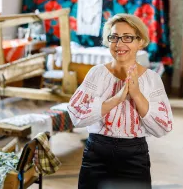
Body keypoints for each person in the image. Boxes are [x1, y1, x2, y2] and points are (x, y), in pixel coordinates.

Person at [67, 14, 173, 189]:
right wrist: (117, 98)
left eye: (128, 38)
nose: (119, 44)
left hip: (135, 158)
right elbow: (76, 115)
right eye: (114, 37)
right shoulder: (97, 74)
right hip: (96, 155)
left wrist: (136, 94)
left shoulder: (152, 79)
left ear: (140, 42)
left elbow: (163, 127)